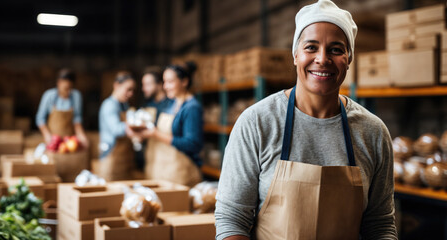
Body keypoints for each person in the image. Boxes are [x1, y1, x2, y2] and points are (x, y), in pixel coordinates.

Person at [214, 1, 397, 239]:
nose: (322, 59)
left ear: (349, 58)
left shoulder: (373, 132)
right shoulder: (257, 123)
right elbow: (232, 219)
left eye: (336, 49)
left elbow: (380, 225)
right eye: (311, 47)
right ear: (295, 55)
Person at [139, 62, 203, 187]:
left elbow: (192, 144)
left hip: (182, 173)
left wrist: (156, 134)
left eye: (170, 82)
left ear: (184, 82)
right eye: (164, 82)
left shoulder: (191, 107)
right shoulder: (172, 104)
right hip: (166, 172)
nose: (165, 86)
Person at [98, 71, 137, 181]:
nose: (131, 94)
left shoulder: (124, 105)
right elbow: (116, 129)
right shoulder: (109, 105)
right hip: (111, 158)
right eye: (128, 89)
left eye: (132, 90)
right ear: (116, 86)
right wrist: (133, 127)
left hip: (124, 159)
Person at [36, 68, 89, 147]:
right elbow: (40, 119)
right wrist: (47, 135)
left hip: (69, 140)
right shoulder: (49, 96)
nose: (68, 92)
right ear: (59, 83)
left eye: (70, 88)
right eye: (66, 88)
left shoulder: (76, 96)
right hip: (52, 140)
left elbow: (77, 118)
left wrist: (81, 134)